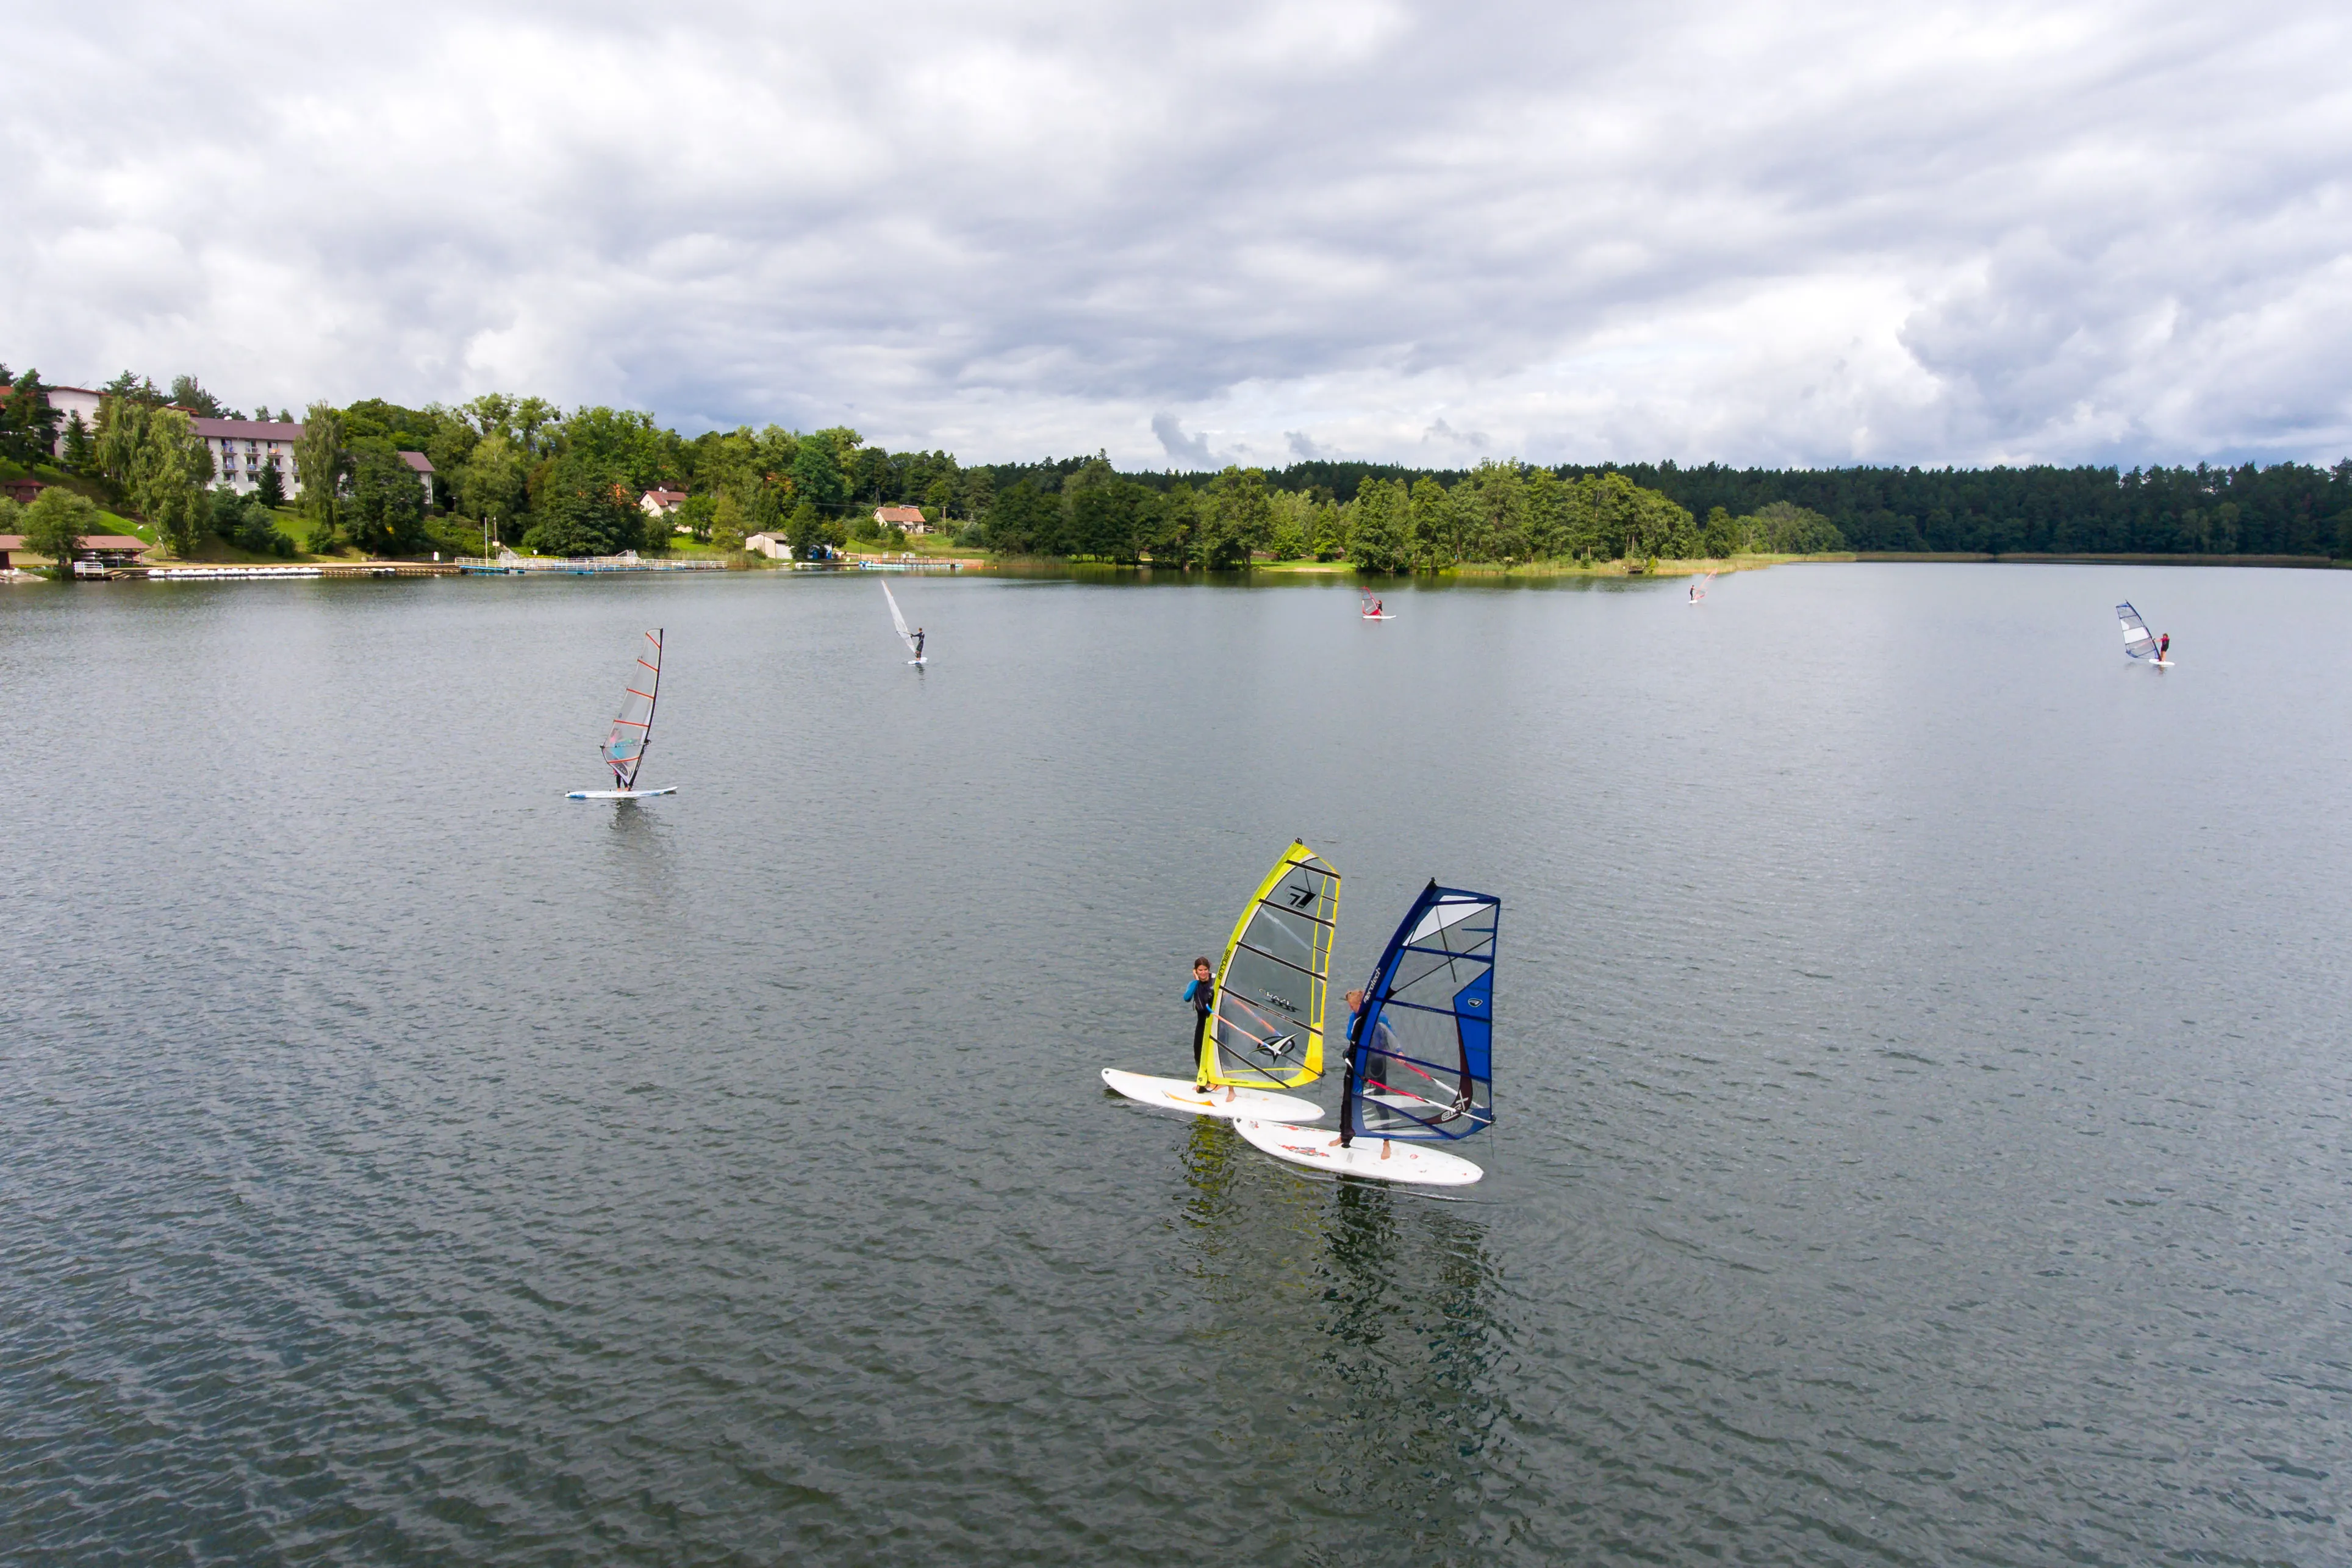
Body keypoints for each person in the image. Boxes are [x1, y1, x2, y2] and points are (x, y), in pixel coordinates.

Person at [1183, 957, 1215, 1090]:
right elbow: (1187, 998)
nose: (1203, 973)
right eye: (1200, 970)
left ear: (1209, 969)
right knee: (1198, 1052)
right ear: (1196, 971)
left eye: (1205, 970)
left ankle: (1220, 1082)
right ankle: (1204, 1080)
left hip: (1215, 1022)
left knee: (1216, 1052)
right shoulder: (1194, 984)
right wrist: (1197, 981)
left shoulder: (1216, 980)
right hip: (1202, 1021)